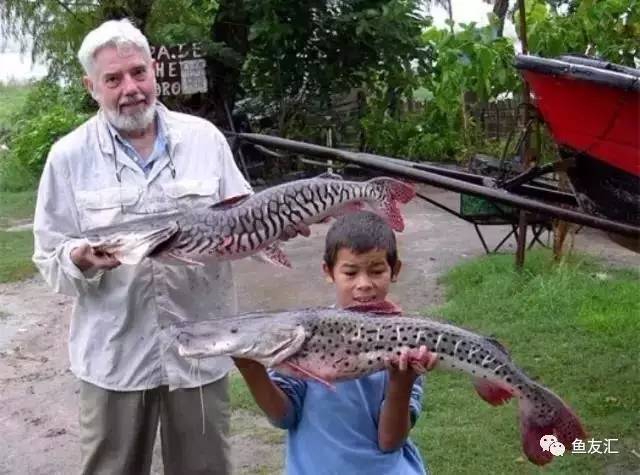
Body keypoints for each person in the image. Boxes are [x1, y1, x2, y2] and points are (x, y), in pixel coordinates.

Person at [32, 18, 252, 475]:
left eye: (138, 72)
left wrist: (267, 230)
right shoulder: (69, 157)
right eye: (113, 79)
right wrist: (78, 259)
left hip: (200, 345)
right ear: (90, 86)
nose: (130, 88)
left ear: (154, 70)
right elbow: (48, 256)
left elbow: (246, 221)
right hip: (115, 357)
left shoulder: (204, 140)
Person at [234, 210, 437, 475]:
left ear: (394, 270)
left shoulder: (408, 343)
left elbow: (389, 442)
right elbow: (283, 416)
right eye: (350, 273)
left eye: (376, 271)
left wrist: (401, 382)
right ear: (328, 271)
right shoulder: (301, 334)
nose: (363, 284)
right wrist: (251, 368)